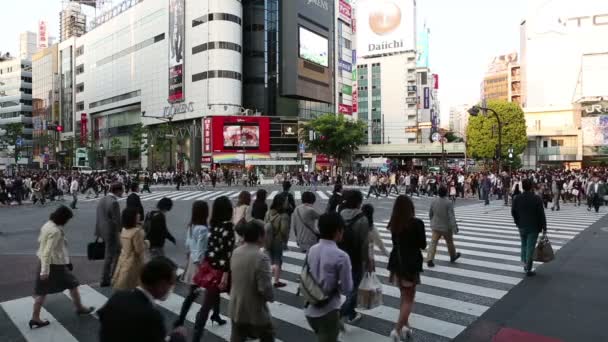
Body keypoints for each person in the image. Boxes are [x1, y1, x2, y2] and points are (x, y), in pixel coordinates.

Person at [30, 206, 95, 329]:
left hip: (47, 263)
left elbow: (44, 245)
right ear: (63, 218)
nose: (68, 222)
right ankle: (79, 308)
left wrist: (66, 261)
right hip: (53, 265)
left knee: (43, 290)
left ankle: (35, 317)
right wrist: (45, 271)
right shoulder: (55, 231)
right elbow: (48, 251)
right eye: (68, 219)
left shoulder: (47, 225)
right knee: (71, 284)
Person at [98, 257, 187, 342]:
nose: (171, 288)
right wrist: (178, 337)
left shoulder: (118, 296)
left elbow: (102, 315)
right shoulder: (152, 317)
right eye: (171, 283)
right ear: (161, 284)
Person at [304, 212, 353, 342]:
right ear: (338, 231)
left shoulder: (312, 249)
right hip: (328, 311)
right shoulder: (341, 256)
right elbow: (347, 289)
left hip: (310, 307)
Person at [191, 196, 235, 341]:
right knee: (237, 300)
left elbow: (210, 249)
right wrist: (226, 276)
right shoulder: (228, 227)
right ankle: (241, 330)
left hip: (211, 268)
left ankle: (213, 317)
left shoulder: (212, 226)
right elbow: (228, 254)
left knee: (209, 300)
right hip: (223, 271)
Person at [387, 195, 427, 341]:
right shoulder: (417, 223)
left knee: (404, 296)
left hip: (397, 263)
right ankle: (397, 330)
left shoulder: (394, 223)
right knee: (409, 298)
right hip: (411, 264)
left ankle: (405, 326)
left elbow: (395, 244)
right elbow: (422, 244)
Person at [229, 221, 275, 342]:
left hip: (236, 306)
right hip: (255, 310)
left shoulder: (236, 252)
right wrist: (270, 297)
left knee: (237, 337)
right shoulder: (261, 257)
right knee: (267, 336)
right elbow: (264, 288)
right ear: (260, 236)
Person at [174, 201, 217, 328]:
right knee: (206, 291)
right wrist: (201, 271)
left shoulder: (191, 226)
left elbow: (188, 244)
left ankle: (182, 318)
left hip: (193, 261)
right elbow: (201, 250)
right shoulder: (203, 229)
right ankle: (186, 319)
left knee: (197, 293)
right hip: (201, 263)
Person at [338, 190, 369, 324]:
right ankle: (342, 312)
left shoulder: (340, 215)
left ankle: (351, 313)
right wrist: (366, 261)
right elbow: (364, 243)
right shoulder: (362, 219)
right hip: (355, 258)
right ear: (359, 202)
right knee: (355, 287)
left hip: (340, 255)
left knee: (344, 284)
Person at [511, 179, 547, 276]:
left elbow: (513, 212)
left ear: (522, 186)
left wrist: (517, 222)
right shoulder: (536, 198)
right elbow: (541, 214)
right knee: (530, 247)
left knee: (524, 244)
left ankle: (524, 261)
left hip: (521, 225)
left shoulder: (517, 198)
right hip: (533, 226)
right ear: (531, 187)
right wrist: (544, 227)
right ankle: (528, 267)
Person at [112, 207, 148, 290]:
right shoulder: (136, 232)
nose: (139, 215)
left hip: (124, 258)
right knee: (136, 284)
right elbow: (139, 250)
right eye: (137, 214)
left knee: (124, 283)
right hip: (134, 262)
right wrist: (147, 243)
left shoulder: (124, 229)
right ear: (133, 217)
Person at [96, 182, 124, 287]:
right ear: (117, 190)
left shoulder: (102, 199)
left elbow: (99, 216)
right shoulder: (114, 203)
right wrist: (122, 231)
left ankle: (112, 275)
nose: (123, 192)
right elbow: (117, 220)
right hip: (111, 232)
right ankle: (107, 278)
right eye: (122, 190)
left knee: (116, 252)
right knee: (111, 255)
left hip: (102, 231)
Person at [426, 186, 461, 267]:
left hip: (436, 226)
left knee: (433, 243)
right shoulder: (448, 202)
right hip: (446, 227)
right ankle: (453, 256)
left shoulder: (434, 201)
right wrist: (455, 228)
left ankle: (429, 259)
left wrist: (432, 221)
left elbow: (430, 213)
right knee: (449, 242)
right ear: (446, 192)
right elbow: (451, 216)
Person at [264, 195, 291, 288]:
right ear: (282, 203)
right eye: (286, 201)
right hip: (277, 240)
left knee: (270, 259)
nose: (287, 202)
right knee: (277, 260)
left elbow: (265, 224)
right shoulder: (284, 216)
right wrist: (285, 240)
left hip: (267, 238)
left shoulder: (268, 213)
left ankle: (268, 277)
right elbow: (284, 230)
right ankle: (276, 281)